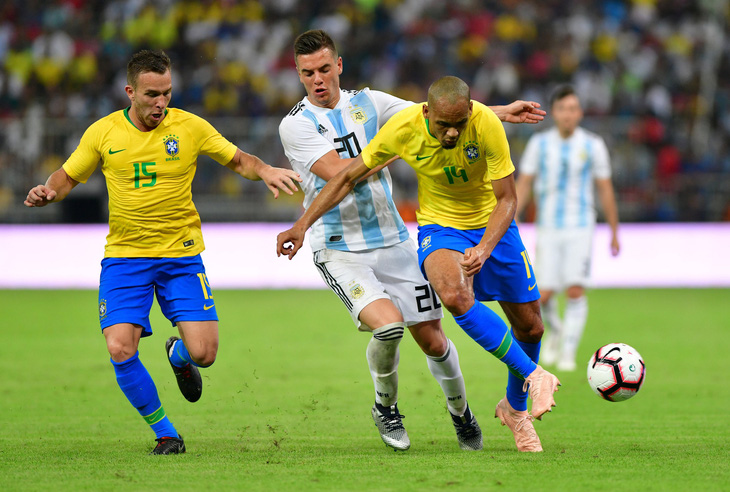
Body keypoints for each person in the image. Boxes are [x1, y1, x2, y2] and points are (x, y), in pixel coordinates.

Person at [278, 30, 547, 452]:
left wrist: (497, 113)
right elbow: (343, 175)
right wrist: (301, 224)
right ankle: (386, 408)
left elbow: (436, 116)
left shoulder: (371, 102)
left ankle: (462, 415)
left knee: (435, 339)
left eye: (325, 69)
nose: (318, 79)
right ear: (297, 73)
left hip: (393, 240)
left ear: (339, 66)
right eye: (308, 72)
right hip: (341, 245)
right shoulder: (294, 125)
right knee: (388, 329)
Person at [24, 49, 301, 455]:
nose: (161, 103)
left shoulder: (189, 127)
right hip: (125, 258)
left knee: (205, 354)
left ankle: (179, 354)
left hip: (181, 257)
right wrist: (48, 191)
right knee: (120, 347)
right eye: (152, 94)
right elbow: (66, 176)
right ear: (130, 91)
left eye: (167, 93)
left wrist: (265, 171)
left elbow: (238, 159)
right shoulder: (103, 133)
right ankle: (167, 433)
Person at [515, 84, 620, 372]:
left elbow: (605, 188)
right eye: (562, 109)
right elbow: (524, 183)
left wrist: (613, 230)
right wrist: (512, 213)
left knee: (575, 289)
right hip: (547, 226)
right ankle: (557, 331)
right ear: (555, 113)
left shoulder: (593, 145)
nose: (568, 114)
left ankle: (568, 353)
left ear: (580, 113)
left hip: (581, 225)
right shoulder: (540, 145)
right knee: (543, 294)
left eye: (573, 109)